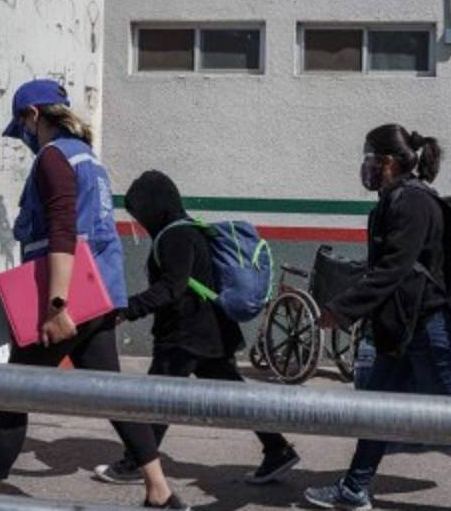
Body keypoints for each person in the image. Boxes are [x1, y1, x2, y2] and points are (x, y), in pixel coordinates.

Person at [0, 80, 189, 510]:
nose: (25, 139)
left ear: (34, 116)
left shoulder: (53, 158)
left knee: (12, 395)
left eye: (23, 126)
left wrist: (56, 306)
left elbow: (62, 230)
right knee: (114, 396)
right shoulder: (89, 159)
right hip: (98, 296)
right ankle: (160, 491)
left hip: (66, 300)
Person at [303, 124, 451, 511]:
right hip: (404, 328)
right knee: (377, 410)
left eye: (371, 159)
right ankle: (354, 488)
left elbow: (393, 268)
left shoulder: (412, 202)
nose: (366, 167)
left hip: (427, 328)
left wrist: (341, 310)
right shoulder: (398, 199)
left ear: (390, 162)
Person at [95, 170, 300, 485]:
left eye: (141, 213)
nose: (140, 222)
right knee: (236, 398)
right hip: (211, 333)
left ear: (154, 207)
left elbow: (171, 287)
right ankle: (278, 450)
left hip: (184, 335)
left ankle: (136, 462)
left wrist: (129, 309)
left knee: (156, 401)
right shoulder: (189, 229)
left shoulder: (174, 237)